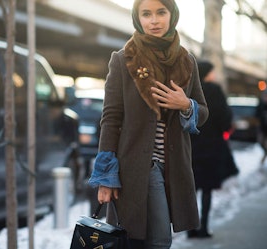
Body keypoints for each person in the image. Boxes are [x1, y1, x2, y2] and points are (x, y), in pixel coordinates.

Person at [88, 0, 209, 248]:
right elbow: (111, 119)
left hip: (175, 166)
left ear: (172, 15)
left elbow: (204, 111)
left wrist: (186, 105)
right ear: (138, 18)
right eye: (146, 14)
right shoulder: (123, 60)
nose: (154, 20)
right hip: (138, 165)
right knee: (160, 240)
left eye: (160, 12)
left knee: (141, 241)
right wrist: (105, 175)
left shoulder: (187, 61)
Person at [188, 61, 238, 238]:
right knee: (207, 189)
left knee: (191, 189)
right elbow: (225, 118)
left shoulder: (189, 89)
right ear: (207, 73)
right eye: (212, 72)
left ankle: (190, 229)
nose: (214, 75)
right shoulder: (215, 91)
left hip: (190, 146)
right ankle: (204, 227)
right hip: (211, 146)